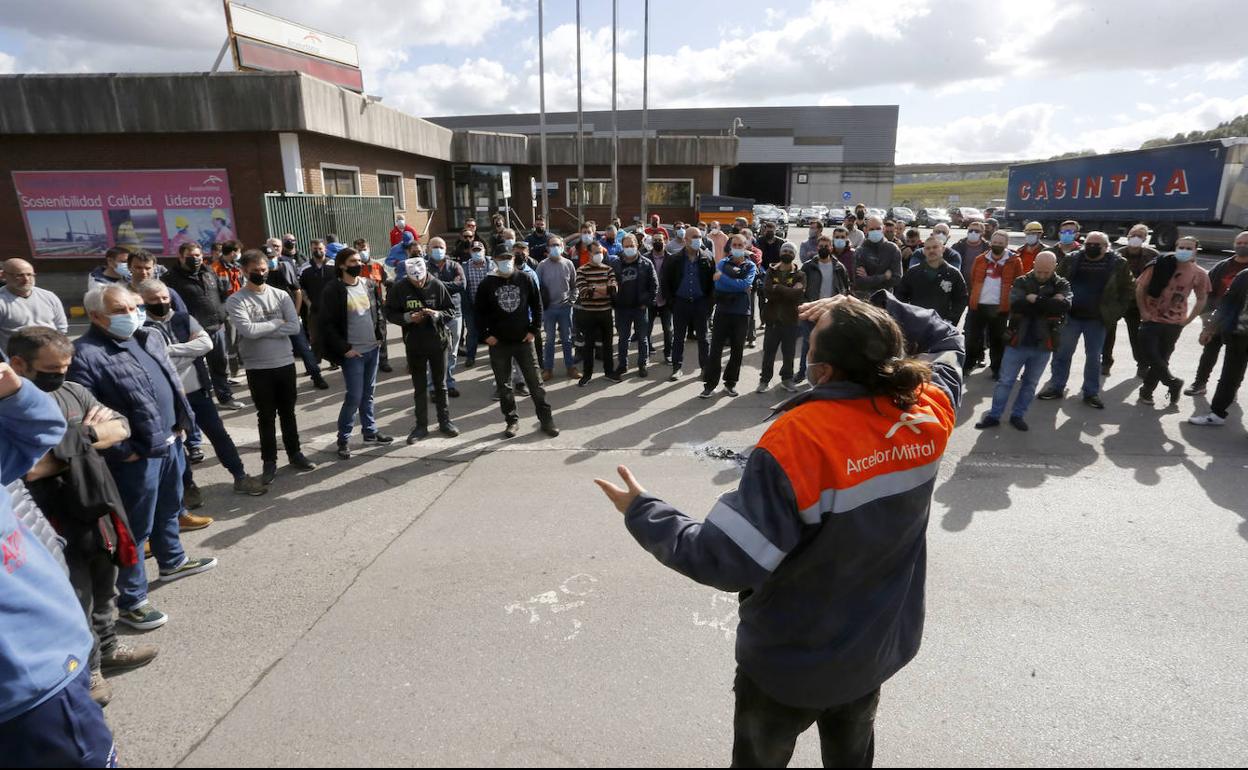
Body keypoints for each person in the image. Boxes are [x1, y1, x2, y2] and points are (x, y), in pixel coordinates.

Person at [595, 291, 962, 769]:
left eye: (811, 348)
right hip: (872, 651)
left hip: (791, 664)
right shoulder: (926, 408)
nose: (807, 354)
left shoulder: (801, 438)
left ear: (823, 372)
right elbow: (948, 337)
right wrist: (872, 304)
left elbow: (723, 559)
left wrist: (642, 510)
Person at [8, 327, 158, 708]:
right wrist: (89, 438)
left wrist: (75, 438)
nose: (59, 374)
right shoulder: (10, 411)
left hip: (95, 507)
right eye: (50, 368)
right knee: (77, 598)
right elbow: (28, 471)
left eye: (65, 366)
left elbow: (120, 426)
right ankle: (88, 670)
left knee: (105, 584)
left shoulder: (73, 391)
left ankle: (107, 648)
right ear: (19, 365)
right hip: (49, 517)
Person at [69, 286, 218, 631]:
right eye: (121, 309)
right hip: (135, 457)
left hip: (170, 442)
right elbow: (88, 416)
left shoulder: (148, 337)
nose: (132, 313)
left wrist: (183, 425)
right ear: (96, 316)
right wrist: (125, 451)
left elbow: (171, 384)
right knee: (134, 529)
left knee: (170, 507)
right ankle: (131, 599)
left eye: (135, 306)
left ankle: (172, 560)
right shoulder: (86, 354)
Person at [0, 361, 119, 766]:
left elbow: (40, 433)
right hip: (30, 687)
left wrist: (13, 393)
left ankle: (104, 647)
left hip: (49, 664)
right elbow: (37, 458)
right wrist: (87, 437)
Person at [138, 280, 267, 496]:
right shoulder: (141, 328)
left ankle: (240, 476)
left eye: (164, 298)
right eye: (154, 299)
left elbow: (206, 345)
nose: (161, 302)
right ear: (143, 301)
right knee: (177, 444)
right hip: (168, 397)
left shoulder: (184, 318)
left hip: (198, 391)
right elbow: (152, 359)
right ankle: (188, 488)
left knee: (219, 434)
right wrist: (188, 351)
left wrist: (168, 350)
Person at [225, 250, 319, 484]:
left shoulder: (281, 295)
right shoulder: (236, 300)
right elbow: (248, 331)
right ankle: (269, 461)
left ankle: (295, 454)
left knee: (288, 413)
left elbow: (294, 328)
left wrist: (266, 328)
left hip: (284, 363)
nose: (260, 274)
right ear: (244, 271)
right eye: (255, 271)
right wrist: (278, 323)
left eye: (264, 269)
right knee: (266, 416)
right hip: (258, 368)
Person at [1035, 232, 1135, 409]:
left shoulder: (1118, 263)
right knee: (1062, 354)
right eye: (1089, 243)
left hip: (1097, 320)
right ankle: (1056, 386)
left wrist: (1115, 312)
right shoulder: (1073, 259)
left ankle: (1090, 392)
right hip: (1071, 316)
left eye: (1097, 244)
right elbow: (1056, 280)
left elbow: (1128, 289)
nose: (1092, 247)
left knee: (1094, 357)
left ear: (1106, 247)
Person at [975, 252, 1071, 431]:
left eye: (1046, 272)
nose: (1042, 275)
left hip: (1044, 344)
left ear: (1054, 268)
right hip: (1017, 340)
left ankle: (1018, 415)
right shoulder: (1022, 281)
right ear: (1033, 265)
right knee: (1005, 381)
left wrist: (1035, 300)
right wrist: (1049, 303)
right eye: (1038, 271)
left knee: (1030, 383)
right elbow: (1017, 305)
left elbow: (1064, 307)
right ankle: (994, 415)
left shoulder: (1062, 284)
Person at [475, 249, 559, 438]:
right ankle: (511, 421)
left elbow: (537, 305)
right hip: (499, 344)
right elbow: (478, 313)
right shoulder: (487, 284)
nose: (505, 262)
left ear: (513, 259)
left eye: (508, 258)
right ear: (494, 260)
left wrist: (533, 330)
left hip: (523, 341)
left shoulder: (525, 279)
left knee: (535, 384)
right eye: (501, 258)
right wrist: (485, 335)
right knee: (504, 386)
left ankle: (546, 420)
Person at [318, 249, 394, 460]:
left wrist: (381, 336)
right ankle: (343, 438)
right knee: (354, 397)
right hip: (353, 353)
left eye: (359, 261)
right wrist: (345, 349)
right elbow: (327, 324)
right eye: (352, 261)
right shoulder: (334, 289)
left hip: (372, 349)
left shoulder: (368, 284)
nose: (357, 264)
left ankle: (370, 431)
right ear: (342, 265)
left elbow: (378, 311)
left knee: (368, 394)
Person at [386, 257, 459, 442]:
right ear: (407, 276)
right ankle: (421, 426)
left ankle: (445, 422)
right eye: (414, 280)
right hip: (414, 345)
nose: (418, 282)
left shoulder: (436, 285)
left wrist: (437, 314)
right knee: (419, 387)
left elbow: (451, 310)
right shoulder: (399, 288)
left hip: (438, 343)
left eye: (421, 279)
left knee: (441, 385)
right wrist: (409, 317)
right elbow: (390, 313)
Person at [163, 243, 242, 408]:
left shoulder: (209, 271)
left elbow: (222, 294)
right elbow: (168, 306)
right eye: (191, 256)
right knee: (197, 368)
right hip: (192, 332)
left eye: (198, 255)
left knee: (220, 364)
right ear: (181, 257)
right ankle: (203, 401)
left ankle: (225, 398)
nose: (196, 259)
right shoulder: (170, 278)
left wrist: (223, 315)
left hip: (217, 327)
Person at [1135, 237, 1210, 405]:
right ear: (1175, 247)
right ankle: (1172, 382)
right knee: (1150, 354)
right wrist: (1143, 311)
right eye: (1181, 247)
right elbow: (1141, 287)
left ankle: (1147, 391)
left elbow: (1201, 298)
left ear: (1195, 250)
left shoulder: (1199, 273)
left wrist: (1188, 320)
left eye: (1188, 248)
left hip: (1174, 322)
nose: (1184, 250)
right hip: (1151, 318)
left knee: (1162, 357)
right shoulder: (1160, 264)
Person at [1186, 231, 1248, 396]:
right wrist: (1207, 323)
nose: (1242, 246)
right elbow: (1207, 295)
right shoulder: (1222, 267)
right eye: (1239, 243)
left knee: (1236, 361)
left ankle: (1231, 389)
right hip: (1218, 320)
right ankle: (1200, 383)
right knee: (1209, 353)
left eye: (1246, 243)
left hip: (1242, 325)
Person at [262, 240, 330, 389]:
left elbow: (297, 291)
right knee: (275, 352)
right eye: (268, 259)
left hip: (290, 314)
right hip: (271, 318)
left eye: (273, 257)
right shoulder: (260, 276)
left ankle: (317, 376)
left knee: (304, 348)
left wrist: (296, 311)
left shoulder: (284, 267)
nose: (271, 261)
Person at [1190, 262, 1248, 427]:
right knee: (1230, 377)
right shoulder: (1245, 276)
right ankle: (1217, 414)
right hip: (1239, 336)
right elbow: (1227, 304)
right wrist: (1210, 328)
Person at [700, 234, 757, 398]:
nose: (738, 248)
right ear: (730, 246)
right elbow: (717, 285)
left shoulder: (750, 266)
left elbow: (745, 284)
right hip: (723, 312)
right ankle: (710, 385)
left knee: (737, 350)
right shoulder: (723, 263)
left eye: (741, 245)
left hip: (741, 313)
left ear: (745, 247)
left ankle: (730, 384)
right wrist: (736, 285)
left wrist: (725, 278)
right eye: (735, 245)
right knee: (715, 350)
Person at [964, 232, 1025, 379]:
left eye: (1001, 242)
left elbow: (1019, 282)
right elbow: (973, 279)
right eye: (995, 242)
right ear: (991, 242)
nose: (997, 245)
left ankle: (997, 368)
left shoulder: (1014, 261)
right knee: (972, 338)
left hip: (1000, 308)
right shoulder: (980, 259)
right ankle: (970, 363)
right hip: (978, 305)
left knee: (997, 340)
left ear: (1006, 244)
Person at [1105, 223, 1160, 378]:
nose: (1135, 238)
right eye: (1132, 235)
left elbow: (1157, 280)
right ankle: (1106, 363)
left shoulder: (1152, 255)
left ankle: (1142, 364)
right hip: (1117, 301)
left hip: (1137, 303)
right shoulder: (1117, 253)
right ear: (1127, 236)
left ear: (1144, 238)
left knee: (1136, 336)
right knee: (1108, 333)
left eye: (1140, 236)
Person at [796, 234, 851, 383]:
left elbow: (846, 288)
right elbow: (800, 288)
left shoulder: (839, 267)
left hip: (831, 313)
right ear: (816, 248)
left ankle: (826, 376)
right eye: (821, 246)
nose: (823, 249)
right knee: (808, 344)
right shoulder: (808, 266)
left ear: (831, 248)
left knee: (829, 345)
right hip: (812, 311)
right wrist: (804, 304)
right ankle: (802, 372)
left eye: (826, 246)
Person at [664, 226, 715, 382]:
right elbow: (665, 283)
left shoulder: (707, 257)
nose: (697, 240)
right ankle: (676, 368)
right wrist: (672, 303)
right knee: (678, 337)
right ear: (685, 240)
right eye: (694, 237)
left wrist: (709, 304)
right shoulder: (674, 259)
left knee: (703, 338)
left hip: (700, 303)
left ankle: (705, 368)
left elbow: (713, 285)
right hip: (681, 303)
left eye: (699, 236)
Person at [757, 241, 805, 394]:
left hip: (791, 321)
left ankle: (787, 380)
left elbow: (797, 295)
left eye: (790, 252)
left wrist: (778, 288)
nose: (787, 254)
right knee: (769, 352)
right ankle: (764, 380)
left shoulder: (800, 274)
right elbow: (767, 292)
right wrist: (787, 291)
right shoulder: (771, 271)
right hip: (772, 320)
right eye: (785, 251)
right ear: (780, 253)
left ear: (794, 255)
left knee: (789, 353)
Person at [574, 242, 621, 386]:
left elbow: (614, 289)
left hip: (605, 313)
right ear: (589, 254)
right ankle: (587, 374)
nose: (599, 255)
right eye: (595, 252)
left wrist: (593, 288)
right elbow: (584, 293)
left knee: (607, 345)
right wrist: (602, 289)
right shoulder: (581, 271)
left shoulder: (608, 269)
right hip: (589, 314)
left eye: (600, 252)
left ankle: (609, 372)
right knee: (588, 346)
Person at [0, 258, 68, 354]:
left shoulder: (49, 296)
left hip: (50, 355)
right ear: (3, 275)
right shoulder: (2, 301)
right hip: (17, 360)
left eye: (29, 274)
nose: (26, 279)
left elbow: (61, 327)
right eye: (19, 275)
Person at [896, 235, 969, 325]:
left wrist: (951, 320)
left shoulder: (953, 273)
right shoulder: (913, 272)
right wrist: (907, 316)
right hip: (916, 322)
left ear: (943, 249)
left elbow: (961, 299)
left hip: (942, 323)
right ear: (923, 251)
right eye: (928, 248)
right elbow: (900, 295)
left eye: (935, 247)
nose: (931, 250)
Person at [613, 234, 658, 378]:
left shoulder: (646, 263)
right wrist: (614, 302)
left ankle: (642, 364)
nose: (629, 248)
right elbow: (610, 283)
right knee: (623, 338)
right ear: (622, 246)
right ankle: (622, 365)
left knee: (642, 338)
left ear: (637, 245)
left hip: (640, 308)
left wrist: (647, 303)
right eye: (626, 246)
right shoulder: (616, 264)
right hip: (622, 308)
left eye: (631, 245)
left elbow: (654, 285)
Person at [428, 238, 466, 397]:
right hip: (434, 315)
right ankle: (433, 387)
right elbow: (425, 286)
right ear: (429, 249)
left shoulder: (455, 266)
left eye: (441, 246)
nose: (438, 249)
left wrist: (437, 284)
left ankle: (449, 382)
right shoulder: (424, 267)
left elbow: (461, 285)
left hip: (454, 313)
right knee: (434, 352)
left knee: (452, 352)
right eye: (435, 247)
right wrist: (448, 284)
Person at [537, 235, 579, 381]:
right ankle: (548, 369)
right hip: (549, 309)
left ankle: (570, 367)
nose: (555, 248)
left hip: (565, 308)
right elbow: (537, 288)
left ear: (562, 247)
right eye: (552, 245)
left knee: (567, 340)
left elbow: (575, 287)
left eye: (557, 245)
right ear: (548, 248)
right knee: (549, 341)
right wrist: (542, 307)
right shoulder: (542, 265)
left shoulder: (569, 264)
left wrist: (571, 301)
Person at [852, 216, 902, 300]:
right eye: (872, 229)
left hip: (886, 300)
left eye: (878, 228)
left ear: (883, 228)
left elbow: (896, 279)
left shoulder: (893, 249)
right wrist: (884, 276)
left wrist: (868, 278)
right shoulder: (860, 252)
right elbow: (859, 282)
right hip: (865, 301)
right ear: (866, 230)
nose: (875, 231)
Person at [646, 232, 674, 365]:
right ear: (652, 243)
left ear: (665, 241)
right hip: (650, 300)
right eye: (655, 240)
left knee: (668, 330)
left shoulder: (671, 259)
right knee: (647, 329)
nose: (658, 242)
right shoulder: (646, 258)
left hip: (666, 300)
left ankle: (668, 354)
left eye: (660, 240)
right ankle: (646, 352)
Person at [462, 240, 492, 368]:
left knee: (491, 331)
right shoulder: (464, 267)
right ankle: (470, 356)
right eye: (474, 250)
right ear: (470, 252)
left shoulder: (491, 265)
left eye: (479, 250)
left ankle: (494, 356)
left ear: (484, 251)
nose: (477, 253)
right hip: (471, 306)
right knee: (472, 332)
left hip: (489, 306)